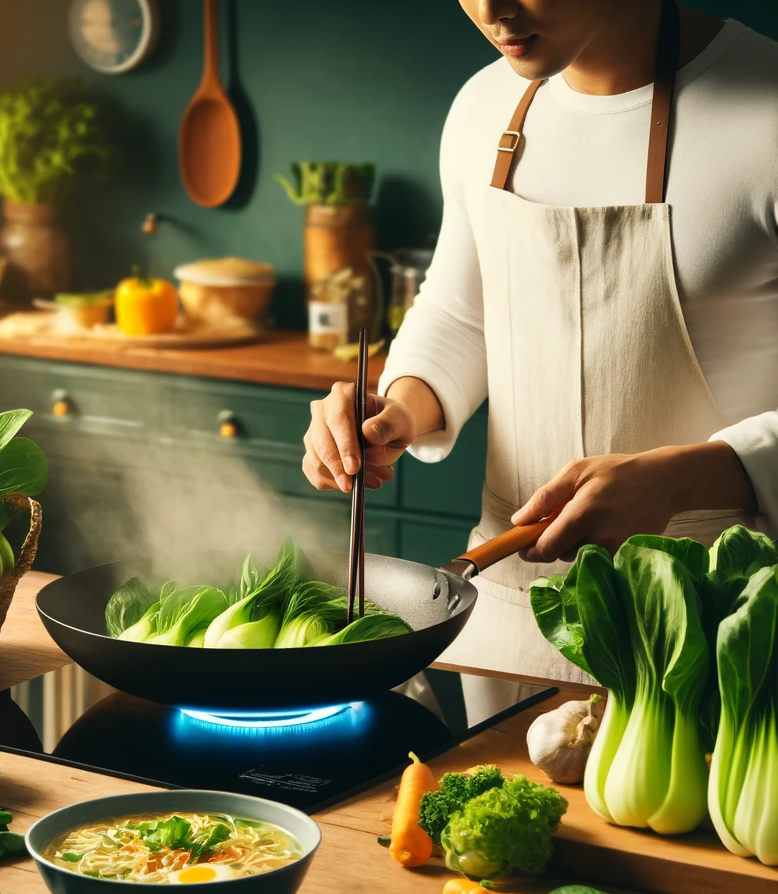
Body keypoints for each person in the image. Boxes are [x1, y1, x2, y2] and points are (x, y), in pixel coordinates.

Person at [302, 0, 778, 690]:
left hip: (714, 626)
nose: (491, 9)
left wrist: (680, 477)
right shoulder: (482, 106)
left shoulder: (765, 110)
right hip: (506, 617)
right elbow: (463, 313)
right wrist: (396, 410)